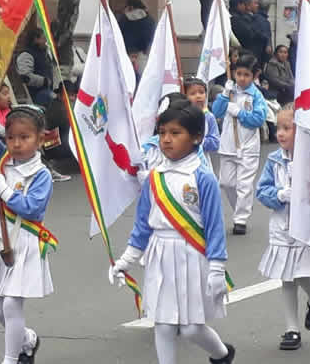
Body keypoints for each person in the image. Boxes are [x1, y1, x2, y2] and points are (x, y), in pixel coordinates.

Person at [110, 99, 235, 364]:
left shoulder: (203, 177)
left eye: (175, 133)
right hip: (160, 254)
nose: (166, 139)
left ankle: (222, 354)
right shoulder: (154, 177)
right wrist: (126, 261)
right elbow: (142, 225)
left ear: (197, 137)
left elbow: (214, 227)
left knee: (191, 328)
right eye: (162, 132)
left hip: (193, 256)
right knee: (163, 324)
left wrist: (216, 268)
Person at [0, 105, 56, 364]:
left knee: (11, 305)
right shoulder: (2, 161)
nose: (17, 143)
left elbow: (32, 208)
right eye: (11, 138)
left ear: (40, 139)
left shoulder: (41, 174)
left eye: (25, 137)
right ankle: (28, 340)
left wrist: (5, 192)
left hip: (24, 241)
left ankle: (10, 359)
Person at [255, 104, 310, 350]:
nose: (281, 133)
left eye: (288, 128)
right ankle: (291, 329)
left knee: (304, 273)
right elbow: (262, 191)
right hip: (282, 228)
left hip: (307, 228)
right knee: (287, 277)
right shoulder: (274, 160)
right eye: (279, 128)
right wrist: (280, 194)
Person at [211, 54, 267, 235]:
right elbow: (216, 112)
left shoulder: (256, 95)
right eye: (239, 74)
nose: (242, 78)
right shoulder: (230, 91)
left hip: (248, 146)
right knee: (226, 183)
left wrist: (239, 112)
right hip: (228, 145)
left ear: (254, 75)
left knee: (244, 185)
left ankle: (240, 219)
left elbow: (258, 119)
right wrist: (225, 95)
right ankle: (239, 209)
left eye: (246, 75)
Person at [16, 28, 56, 108]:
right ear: (36, 39)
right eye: (43, 38)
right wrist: (44, 81)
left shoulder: (43, 53)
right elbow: (25, 76)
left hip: (47, 90)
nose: (45, 41)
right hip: (36, 94)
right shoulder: (26, 55)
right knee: (52, 99)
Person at [185, 78, 220, 166]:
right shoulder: (181, 117)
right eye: (192, 93)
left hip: (203, 162)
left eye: (201, 92)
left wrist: (199, 141)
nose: (198, 96)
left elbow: (215, 143)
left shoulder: (209, 117)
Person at [117, 0, 155, 73]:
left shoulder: (123, 19)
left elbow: (118, 35)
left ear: (130, 7)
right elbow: (152, 37)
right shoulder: (150, 20)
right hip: (143, 55)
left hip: (126, 54)